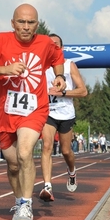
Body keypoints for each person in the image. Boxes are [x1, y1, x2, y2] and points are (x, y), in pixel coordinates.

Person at [0, 3, 66, 220]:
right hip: (5, 112)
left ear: (37, 24)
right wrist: (4, 69)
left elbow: (57, 58)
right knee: (13, 164)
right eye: (21, 22)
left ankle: (26, 204)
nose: (25, 27)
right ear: (12, 23)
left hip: (35, 109)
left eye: (30, 22)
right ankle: (18, 199)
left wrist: (59, 76)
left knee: (25, 153)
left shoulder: (44, 43)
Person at [39, 33, 87, 202]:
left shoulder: (68, 66)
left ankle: (72, 171)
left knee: (66, 151)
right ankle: (47, 186)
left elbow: (83, 91)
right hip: (48, 112)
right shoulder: (40, 66)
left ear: (62, 48)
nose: (53, 46)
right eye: (49, 44)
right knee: (47, 146)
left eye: (56, 44)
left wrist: (64, 92)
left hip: (66, 114)